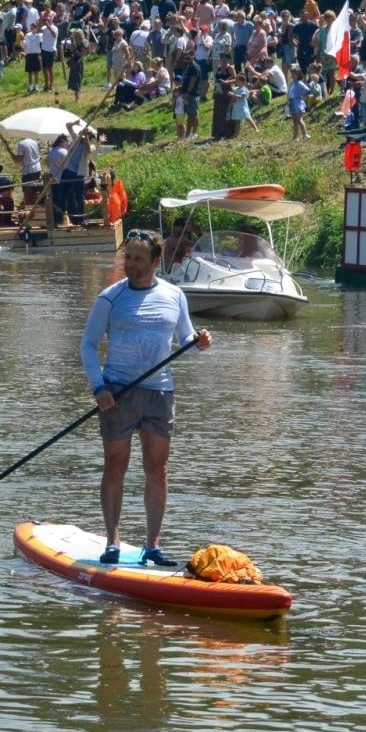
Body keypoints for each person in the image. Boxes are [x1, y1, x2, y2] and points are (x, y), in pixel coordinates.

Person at [80, 231, 213, 567]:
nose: (131, 265)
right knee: (115, 468)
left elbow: (186, 341)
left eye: (139, 259)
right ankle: (112, 542)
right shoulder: (110, 298)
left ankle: (152, 546)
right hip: (118, 394)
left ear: (156, 262)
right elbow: (88, 345)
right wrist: (99, 388)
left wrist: (199, 342)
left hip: (160, 393)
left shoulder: (174, 295)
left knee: (157, 470)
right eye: (128, 257)